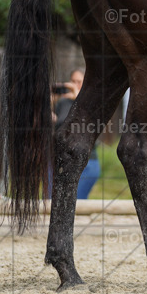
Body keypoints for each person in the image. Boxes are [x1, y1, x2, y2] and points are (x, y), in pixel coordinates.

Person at [52, 68, 99, 199]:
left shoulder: (94, 101)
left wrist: (78, 97)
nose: (74, 85)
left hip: (87, 162)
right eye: (72, 81)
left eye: (79, 82)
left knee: (77, 200)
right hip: (60, 160)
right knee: (54, 200)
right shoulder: (62, 102)